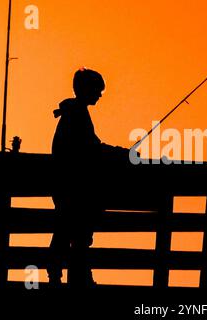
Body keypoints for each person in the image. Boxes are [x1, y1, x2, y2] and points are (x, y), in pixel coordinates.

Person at [47, 67, 130, 287]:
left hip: (65, 185)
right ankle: (71, 276)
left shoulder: (73, 112)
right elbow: (92, 148)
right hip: (73, 186)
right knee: (76, 233)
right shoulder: (77, 114)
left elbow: (91, 146)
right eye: (97, 90)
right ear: (86, 89)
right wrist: (121, 154)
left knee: (69, 231)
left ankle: (68, 274)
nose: (100, 95)